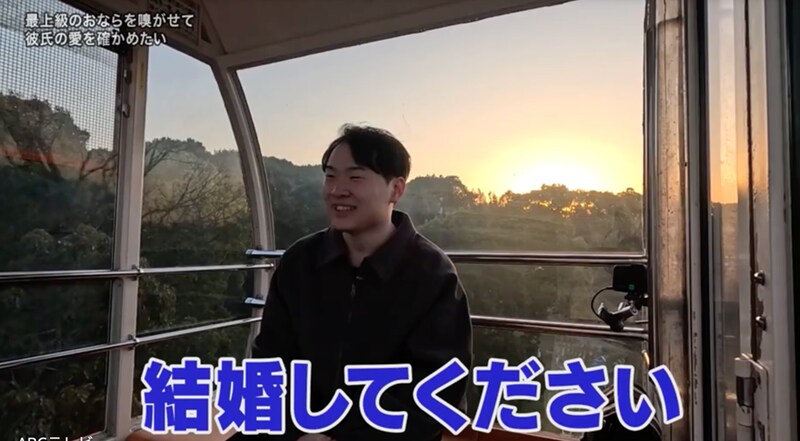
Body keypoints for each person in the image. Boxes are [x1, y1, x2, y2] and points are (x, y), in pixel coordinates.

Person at [235, 124, 473, 441]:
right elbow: (270, 361)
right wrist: (296, 434)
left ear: (396, 189)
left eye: (355, 177)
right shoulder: (300, 261)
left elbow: (439, 391)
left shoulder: (432, 275)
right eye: (330, 176)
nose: (337, 190)